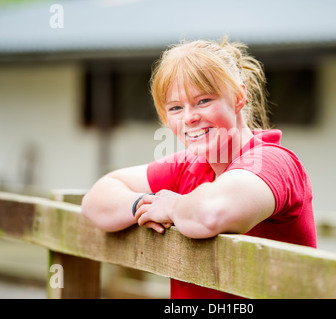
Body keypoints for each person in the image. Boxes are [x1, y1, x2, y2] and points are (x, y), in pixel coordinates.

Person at [81, 37, 317, 299]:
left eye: (203, 101)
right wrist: (143, 204)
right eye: (175, 107)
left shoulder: (273, 161)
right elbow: (95, 200)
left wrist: (170, 206)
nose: (189, 117)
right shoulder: (187, 167)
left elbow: (211, 214)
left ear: (238, 97)